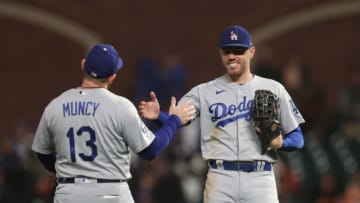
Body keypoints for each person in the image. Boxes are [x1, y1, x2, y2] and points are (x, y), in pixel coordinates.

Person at [139, 25, 305, 203]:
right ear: (220, 54)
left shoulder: (273, 88)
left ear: (251, 52)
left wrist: (282, 143)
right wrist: (159, 117)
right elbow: (180, 119)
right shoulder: (204, 91)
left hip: (260, 177)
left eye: (238, 51)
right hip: (221, 177)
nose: (232, 56)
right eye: (227, 51)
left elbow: (298, 138)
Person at [31, 44, 195, 203]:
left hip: (69, 193)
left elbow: (42, 154)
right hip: (110, 193)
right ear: (112, 76)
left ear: (83, 65)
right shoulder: (120, 106)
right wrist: (174, 120)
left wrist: (66, 169)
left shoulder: (55, 106)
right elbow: (151, 150)